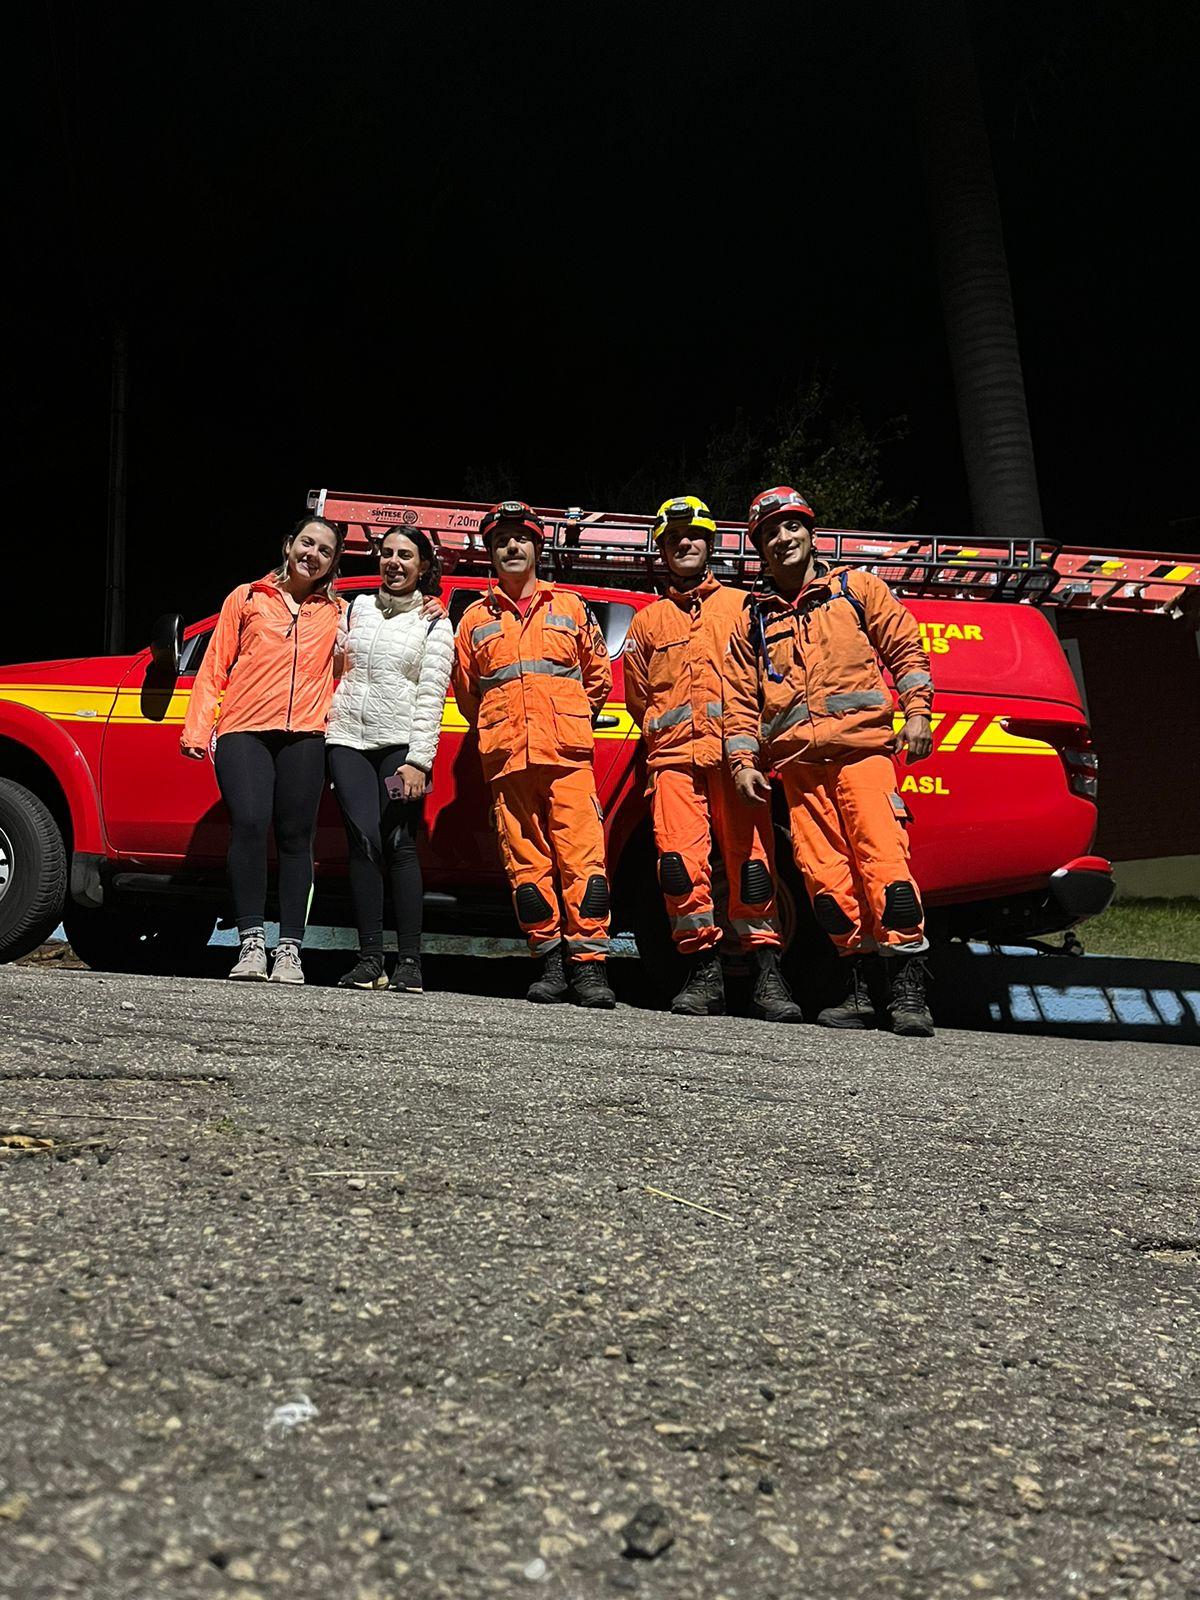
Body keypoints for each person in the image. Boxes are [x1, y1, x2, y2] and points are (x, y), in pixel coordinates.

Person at [723, 486, 937, 1036]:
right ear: (759, 547)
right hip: (797, 769)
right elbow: (741, 698)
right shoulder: (753, 617)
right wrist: (744, 759)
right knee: (827, 882)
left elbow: (905, 648)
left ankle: (909, 993)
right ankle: (861, 990)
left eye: (791, 526)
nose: (782, 538)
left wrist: (918, 712)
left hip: (862, 754)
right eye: (769, 532)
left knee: (885, 868)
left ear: (812, 533)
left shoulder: (855, 589)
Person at [622, 495, 802, 1022]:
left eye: (694, 535)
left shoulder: (746, 607)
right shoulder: (646, 623)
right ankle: (702, 974)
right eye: (674, 537)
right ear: (662, 548)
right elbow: (638, 697)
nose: (685, 543)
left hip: (735, 761)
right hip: (674, 763)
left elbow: (772, 682)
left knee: (752, 867)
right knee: (679, 868)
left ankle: (768, 974)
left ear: (711, 543)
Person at [452, 499, 616, 1008]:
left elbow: (598, 678)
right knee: (526, 865)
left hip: (566, 758)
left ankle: (589, 968)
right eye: (501, 540)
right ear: (491, 552)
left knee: (583, 861)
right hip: (507, 761)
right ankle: (547, 961)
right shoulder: (474, 620)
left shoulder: (569, 607)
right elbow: (467, 694)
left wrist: (566, 719)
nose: (512, 547)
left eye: (520, 538)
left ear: (536, 547)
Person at [180, 513, 346, 984]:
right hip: (244, 731)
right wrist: (197, 731)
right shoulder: (248, 597)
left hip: (307, 735)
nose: (312, 555)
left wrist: (427, 608)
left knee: (297, 838)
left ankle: (290, 949)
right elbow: (214, 666)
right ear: (288, 544)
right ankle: (251, 943)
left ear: (332, 564)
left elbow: (358, 666)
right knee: (250, 825)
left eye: (324, 551)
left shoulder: (339, 612)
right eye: (306, 543)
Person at [326, 527, 454, 994]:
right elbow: (333, 662)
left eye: (406, 555)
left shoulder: (435, 622)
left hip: (400, 750)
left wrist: (418, 760)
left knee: (399, 841)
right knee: (362, 842)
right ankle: (368, 959)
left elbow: (431, 695)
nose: (394, 562)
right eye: (388, 554)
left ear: (424, 566)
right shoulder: (356, 609)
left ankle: (410, 963)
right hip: (347, 745)